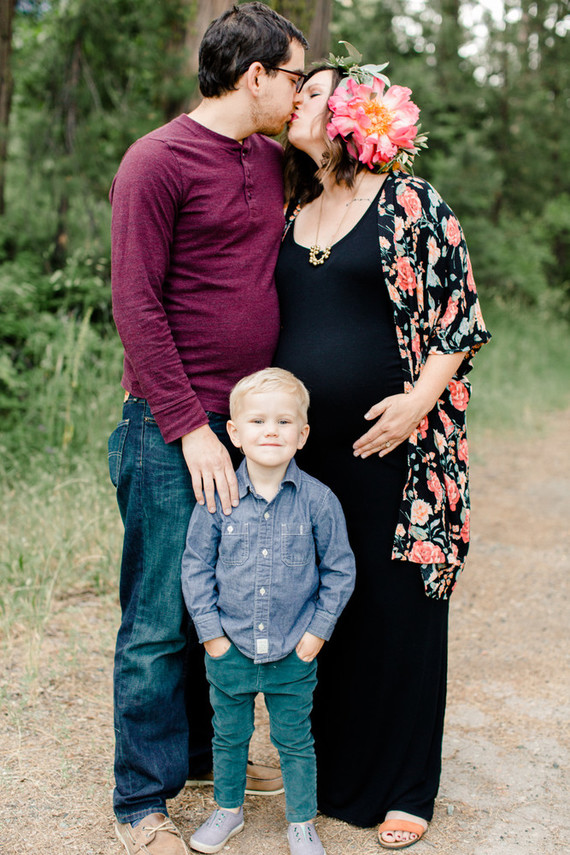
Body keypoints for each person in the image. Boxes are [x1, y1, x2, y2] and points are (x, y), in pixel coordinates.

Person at [273, 54, 491, 850]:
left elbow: (458, 316)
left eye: (315, 93)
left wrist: (414, 404)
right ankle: (335, 770)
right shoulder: (289, 208)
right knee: (328, 603)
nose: (297, 103)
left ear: (349, 117)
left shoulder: (408, 201)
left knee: (400, 608)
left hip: (399, 450)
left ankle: (405, 786)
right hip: (306, 458)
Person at [107, 6, 308, 854]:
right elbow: (136, 303)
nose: (299, 92)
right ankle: (140, 801)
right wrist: (190, 425)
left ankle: (197, 756)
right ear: (254, 74)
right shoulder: (156, 161)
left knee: (228, 601)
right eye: (293, 76)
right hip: (169, 427)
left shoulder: (269, 159)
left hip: (255, 424)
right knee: (158, 617)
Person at [181, 368, 356, 855]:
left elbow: (340, 570)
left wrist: (315, 635)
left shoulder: (319, 502)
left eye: (284, 421)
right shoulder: (216, 500)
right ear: (234, 433)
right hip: (229, 647)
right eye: (257, 421)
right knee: (229, 735)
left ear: (302, 434)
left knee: (294, 740)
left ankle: (301, 822)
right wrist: (211, 636)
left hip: (293, 650)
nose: (271, 430)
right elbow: (195, 568)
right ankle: (228, 810)